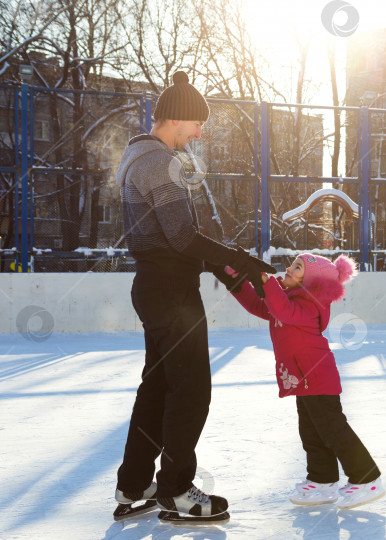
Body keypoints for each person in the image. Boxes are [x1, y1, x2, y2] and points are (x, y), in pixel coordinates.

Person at [113, 70, 275, 523]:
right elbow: (183, 237)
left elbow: (174, 239)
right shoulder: (161, 162)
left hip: (152, 286)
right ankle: (178, 491)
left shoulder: (134, 158)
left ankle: (135, 484)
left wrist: (227, 268)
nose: (201, 131)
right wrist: (238, 259)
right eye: (197, 122)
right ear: (177, 119)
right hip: (172, 294)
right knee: (192, 391)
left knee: (158, 388)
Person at [213, 254, 384, 510]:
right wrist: (236, 280)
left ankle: (367, 478)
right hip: (304, 379)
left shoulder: (312, 305)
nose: (289, 269)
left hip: (317, 376)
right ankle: (322, 480)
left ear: (311, 280)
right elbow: (259, 307)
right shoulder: (288, 298)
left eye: (298, 267)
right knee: (311, 432)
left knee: (333, 429)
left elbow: (282, 310)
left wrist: (265, 281)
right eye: (293, 264)